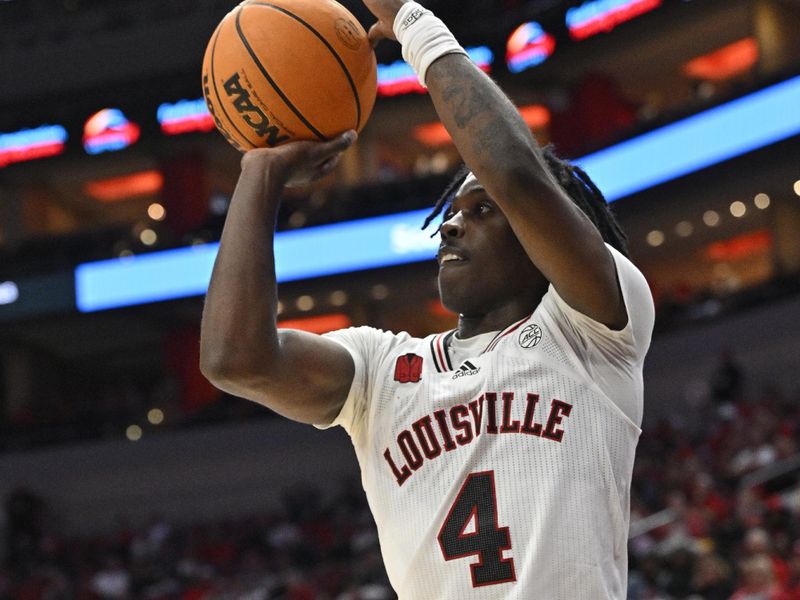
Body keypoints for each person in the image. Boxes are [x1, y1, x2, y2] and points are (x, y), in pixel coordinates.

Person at [200, 0, 655, 597]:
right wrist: (260, 174)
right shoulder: (379, 370)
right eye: (451, 211)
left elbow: (516, 174)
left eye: (481, 209)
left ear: (542, 231)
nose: (450, 225)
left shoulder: (594, 328)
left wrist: (417, 27)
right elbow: (236, 359)